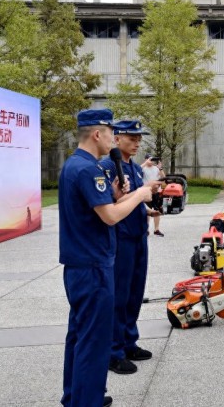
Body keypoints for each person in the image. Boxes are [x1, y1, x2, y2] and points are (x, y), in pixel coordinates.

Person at [59, 109, 153, 407]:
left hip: (81, 264)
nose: (114, 138)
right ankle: (87, 401)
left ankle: (77, 396)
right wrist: (141, 194)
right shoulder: (88, 169)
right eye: (112, 132)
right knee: (94, 341)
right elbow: (111, 217)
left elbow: (100, 209)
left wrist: (115, 196)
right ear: (98, 134)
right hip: (93, 266)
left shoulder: (76, 165)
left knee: (80, 336)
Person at [100, 120, 156, 375]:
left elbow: (132, 200)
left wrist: (147, 207)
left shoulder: (132, 167)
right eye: (131, 138)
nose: (137, 143)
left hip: (138, 236)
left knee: (135, 293)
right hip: (121, 238)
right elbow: (111, 203)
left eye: (138, 139)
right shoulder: (108, 167)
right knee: (119, 296)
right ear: (117, 138)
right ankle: (113, 351)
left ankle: (129, 342)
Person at [141, 156, 164, 236]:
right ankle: (146, 230)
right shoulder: (143, 168)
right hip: (147, 192)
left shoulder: (156, 168)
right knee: (147, 211)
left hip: (157, 192)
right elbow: (136, 171)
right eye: (150, 159)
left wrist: (160, 168)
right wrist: (145, 163)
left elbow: (163, 177)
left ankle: (156, 229)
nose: (152, 161)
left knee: (157, 210)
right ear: (146, 159)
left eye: (153, 159)